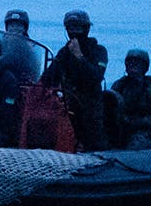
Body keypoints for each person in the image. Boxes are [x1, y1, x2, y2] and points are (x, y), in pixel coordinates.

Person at [41, 9, 109, 150]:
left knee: (94, 140)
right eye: (71, 28)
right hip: (67, 105)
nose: (74, 32)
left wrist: (79, 56)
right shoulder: (64, 52)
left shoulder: (99, 51)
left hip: (90, 108)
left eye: (78, 28)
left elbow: (96, 77)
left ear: (86, 29)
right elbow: (48, 78)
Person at [108, 49, 151, 148]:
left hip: (143, 131)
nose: (132, 65)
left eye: (136, 62)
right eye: (129, 62)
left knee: (136, 145)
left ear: (144, 66)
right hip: (121, 129)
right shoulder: (119, 85)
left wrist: (138, 122)